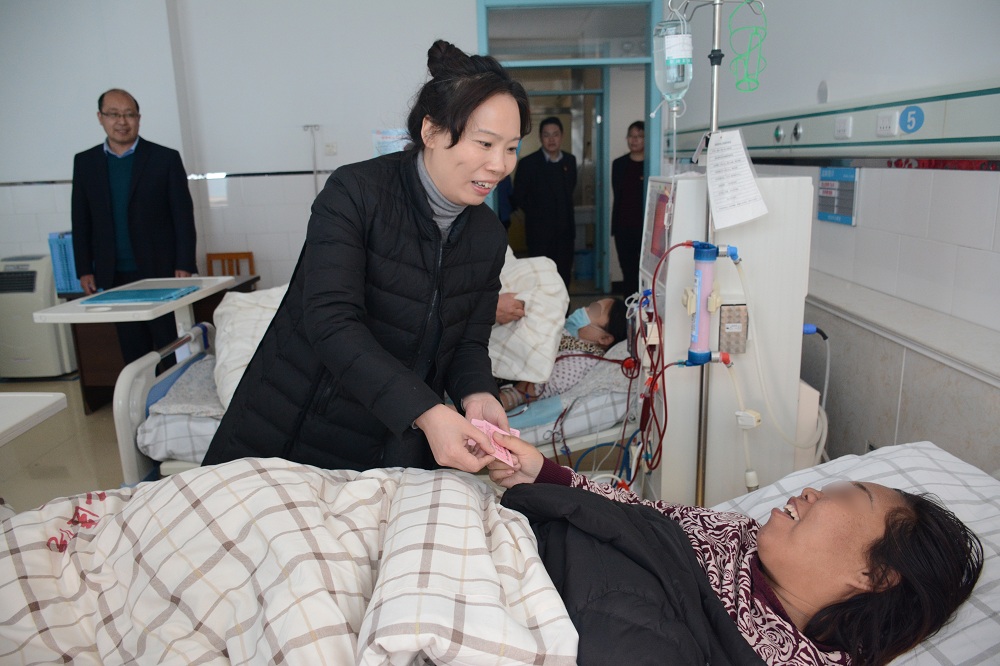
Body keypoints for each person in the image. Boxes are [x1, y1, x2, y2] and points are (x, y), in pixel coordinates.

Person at [202, 40, 531, 473]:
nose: (500, 165)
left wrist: (478, 394)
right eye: (485, 143)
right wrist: (427, 412)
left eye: (511, 147)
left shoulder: (486, 235)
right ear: (431, 132)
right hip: (297, 429)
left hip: (395, 441)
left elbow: (468, 340)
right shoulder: (355, 194)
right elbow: (331, 322)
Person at [488, 436, 985, 666]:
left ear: (875, 574)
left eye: (843, 498)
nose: (810, 492)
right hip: (512, 542)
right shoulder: (738, 533)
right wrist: (541, 472)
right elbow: (643, 516)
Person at [71, 88, 197, 365]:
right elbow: (81, 220)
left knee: (171, 345)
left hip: (162, 270)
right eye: (113, 114)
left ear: (138, 118)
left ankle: (173, 391)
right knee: (133, 350)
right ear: (100, 117)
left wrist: (184, 262)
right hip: (114, 274)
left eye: (129, 114)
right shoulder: (86, 162)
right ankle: (143, 395)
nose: (122, 121)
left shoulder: (164, 158)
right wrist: (84, 268)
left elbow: (183, 216)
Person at [498, 297, 628, 411]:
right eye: (590, 306)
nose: (583, 309)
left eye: (594, 311)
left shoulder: (578, 363)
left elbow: (522, 393)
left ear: (604, 339)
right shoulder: (570, 337)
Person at [511, 117, 578, 287]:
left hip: (565, 235)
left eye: (555, 134)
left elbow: (570, 190)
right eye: (547, 135)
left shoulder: (570, 161)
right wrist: (537, 213)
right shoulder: (528, 163)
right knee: (542, 280)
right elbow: (518, 196)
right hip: (539, 235)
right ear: (540, 137)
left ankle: (564, 306)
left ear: (562, 136)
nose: (551, 139)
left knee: (564, 278)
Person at [611, 120, 646, 294]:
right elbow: (617, 194)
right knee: (628, 271)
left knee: (645, 271)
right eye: (631, 136)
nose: (634, 140)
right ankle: (629, 306)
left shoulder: (651, 164)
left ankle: (645, 306)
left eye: (639, 136)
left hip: (645, 229)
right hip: (623, 227)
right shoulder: (618, 164)